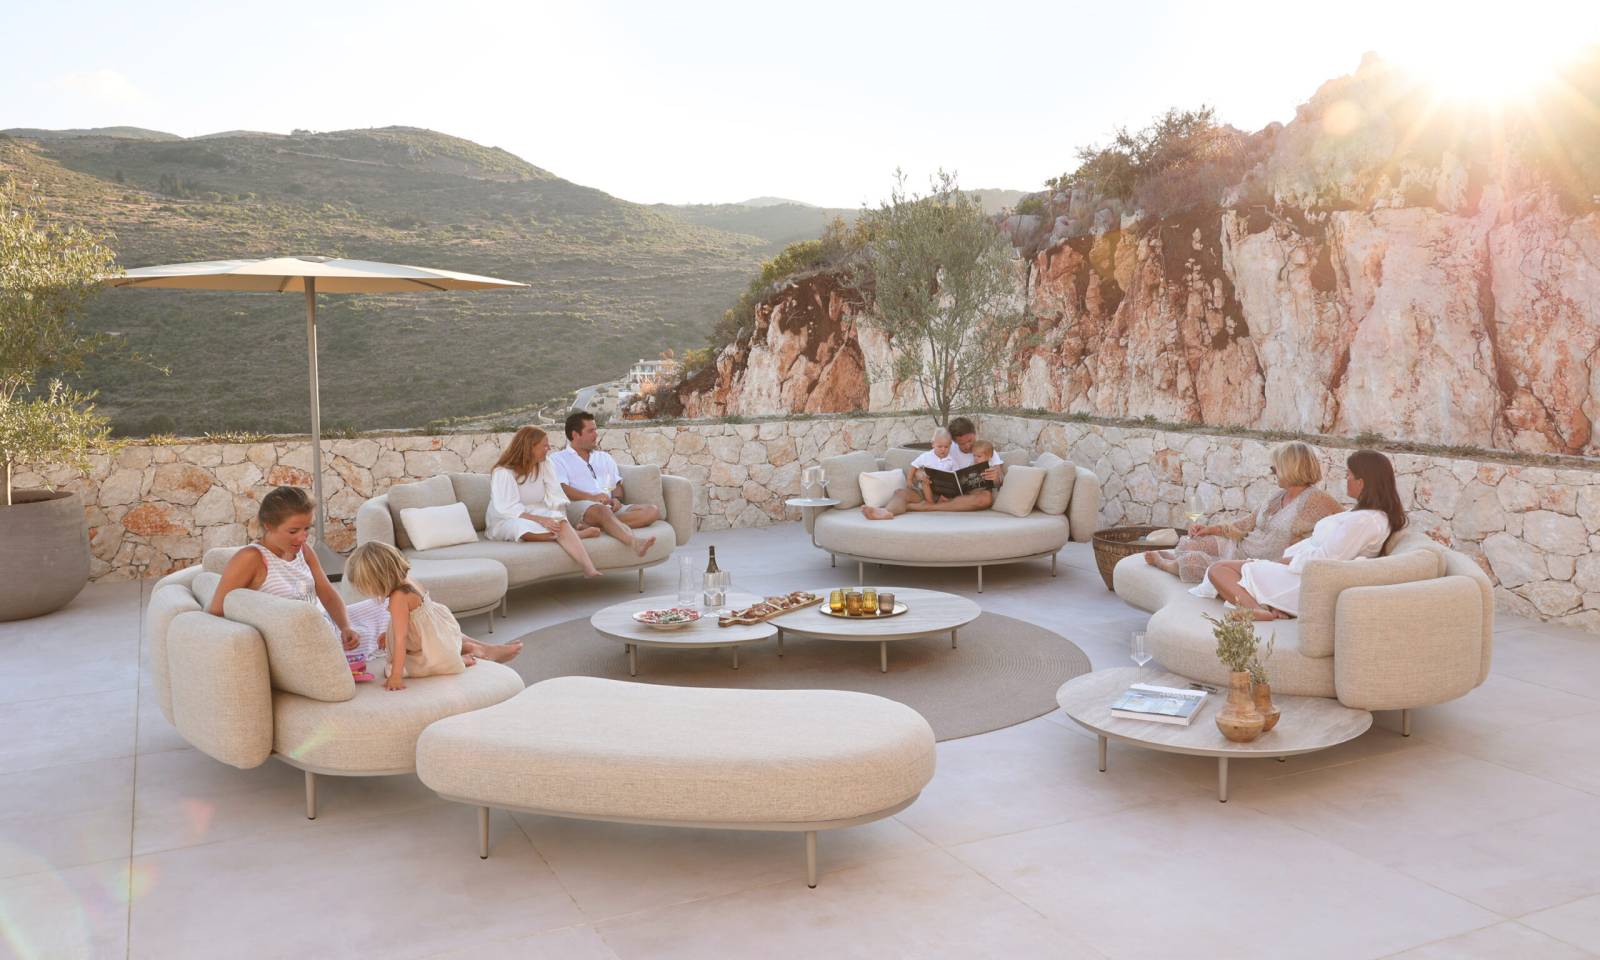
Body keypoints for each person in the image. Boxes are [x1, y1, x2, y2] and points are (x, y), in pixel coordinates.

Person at [209, 486, 390, 682]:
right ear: (269, 525)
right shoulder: (251, 559)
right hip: (302, 642)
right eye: (293, 530)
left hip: (326, 624)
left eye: (307, 529)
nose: (303, 537)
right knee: (392, 631)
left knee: (389, 607)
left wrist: (345, 626)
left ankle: (386, 646)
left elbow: (327, 594)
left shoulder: (303, 551)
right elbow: (217, 611)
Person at [1200, 449, 1406, 620]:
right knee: (1222, 571)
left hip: (1302, 580)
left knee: (1219, 570)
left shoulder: (1364, 520)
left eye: (1349, 475)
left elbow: (1326, 560)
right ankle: (1267, 608)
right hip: (1299, 571)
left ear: (1361, 482)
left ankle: (1259, 611)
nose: (1346, 479)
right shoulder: (1363, 515)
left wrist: (1285, 561)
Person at [1144, 441, 1341, 583]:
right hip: (1241, 547)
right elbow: (1247, 523)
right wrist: (1210, 529)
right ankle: (1179, 559)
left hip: (1260, 563)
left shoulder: (1315, 499)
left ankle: (1165, 564)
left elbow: (1346, 521)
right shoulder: (1278, 495)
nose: (1272, 472)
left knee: (1191, 560)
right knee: (1190, 543)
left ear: (1291, 468)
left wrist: (1306, 540)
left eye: (1275, 468)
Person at [346, 541, 470, 692]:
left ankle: (451, 662)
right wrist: (388, 634)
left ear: (379, 580)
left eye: (366, 586)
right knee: (408, 659)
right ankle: (451, 658)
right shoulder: (408, 582)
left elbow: (401, 639)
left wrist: (396, 676)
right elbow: (411, 623)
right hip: (436, 637)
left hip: (433, 648)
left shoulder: (398, 598)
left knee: (390, 669)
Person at [485, 425, 603, 578]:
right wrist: (542, 520)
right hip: (506, 518)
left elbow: (555, 494)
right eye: (544, 446)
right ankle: (576, 535)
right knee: (522, 529)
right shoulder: (503, 472)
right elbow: (509, 508)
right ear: (529, 448)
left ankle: (589, 569)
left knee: (558, 521)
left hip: (534, 510)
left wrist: (557, 517)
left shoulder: (545, 464)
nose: (548, 449)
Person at [551, 411, 657, 558]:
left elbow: (616, 485)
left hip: (607, 509)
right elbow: (562, 488)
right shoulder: (558, 459)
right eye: (590, 431)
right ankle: (634, 543)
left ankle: (596, 526)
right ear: (575, 435)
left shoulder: (604, 457)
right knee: (601, 510)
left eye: (596, 429)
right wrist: (592, 498)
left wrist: (617, 500)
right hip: (579, 507)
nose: (596, 435)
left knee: (651, 511)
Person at [864, 418, 1006, 519]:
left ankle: (923, 507)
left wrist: (997, 478)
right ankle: (885, 513)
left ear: (975, 434)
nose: (968, 446)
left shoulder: (985, 449)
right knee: (901, 493)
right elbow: (922, 465)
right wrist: (920, 474)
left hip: (965, 497)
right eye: (962, 444)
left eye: (970, 441)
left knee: (985, 498)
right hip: (933, 492)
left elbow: (1000, 480)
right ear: (954, 442)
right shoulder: (946, 447)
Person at [862, 427, 954, 520]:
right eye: (940, 446)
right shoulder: (927, 456)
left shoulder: (952, 460)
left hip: (939, 494)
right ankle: (886, 512)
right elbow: (914, 466)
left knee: (928, 483)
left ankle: (929, 504)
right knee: (900, 493)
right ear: (933, 444)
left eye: (946, 447)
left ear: (950, 445)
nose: (943, 449)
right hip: (921, 491)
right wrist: (909, 480)